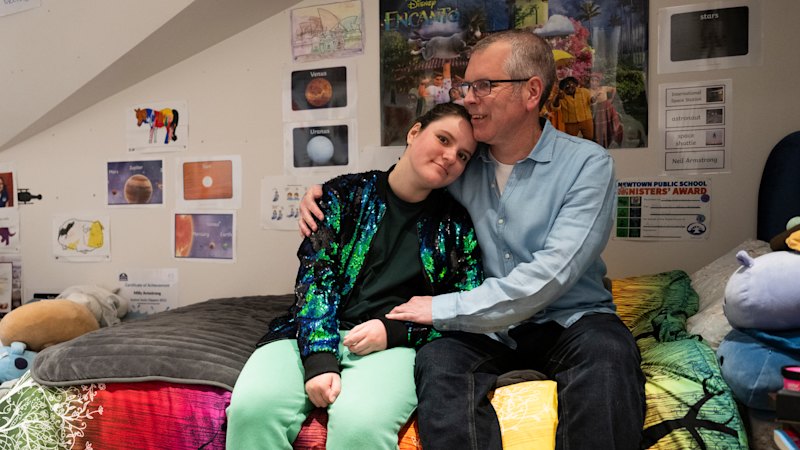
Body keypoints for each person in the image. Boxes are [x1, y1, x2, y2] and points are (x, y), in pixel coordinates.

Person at [299, 29, 645, 450]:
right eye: (465, 87)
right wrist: (328, 195)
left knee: (609, 357)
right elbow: (399, 181)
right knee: (438, 360)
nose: (468, 98)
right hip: (487, 332)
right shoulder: (462, 164)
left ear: (531, 91)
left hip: (571, 321)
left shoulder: (587, 165)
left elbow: (552, 274)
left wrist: (441, 308)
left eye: (483, 85)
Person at [226, 102, 484, 450]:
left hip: (394, 346)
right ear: (414, 132)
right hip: (311, 330)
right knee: (252, 411)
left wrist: (394, 331)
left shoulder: (457, 225)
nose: (451, 156)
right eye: (443, 139)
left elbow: (463, 308)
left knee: (359, 425)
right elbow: (315, 277)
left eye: (463, 155)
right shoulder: (343, 196)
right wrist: (319, 359)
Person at [589, 73, 623, 148]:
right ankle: (601, 144)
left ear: (599, 82)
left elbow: (614, 89)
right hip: (599, 111)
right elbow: (592, 101)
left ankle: (616, 140)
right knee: (601, 128)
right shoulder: (589, 91)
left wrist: (611, 99)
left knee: (614, 124)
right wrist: (595, 96)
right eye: (592, 80)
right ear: (590, 81)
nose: (594, 82)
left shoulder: (603, 88)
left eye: (596, 81)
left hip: (608, 108)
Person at [557, 75, 595, 141]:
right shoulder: (561, 96)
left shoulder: (584, 91)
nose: (569, 88)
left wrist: (593, 100)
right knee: (571, 140)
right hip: (570, 123)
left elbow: (590, 101)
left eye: (571, 85)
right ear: (562, 88)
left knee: (589, 138)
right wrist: (557, 98)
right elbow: (554, 108)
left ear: (575, 84)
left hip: (586, 120)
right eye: (566, 86)